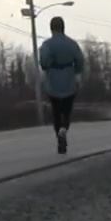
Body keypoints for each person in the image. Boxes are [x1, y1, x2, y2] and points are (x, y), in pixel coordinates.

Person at [39, 16, 85, 154]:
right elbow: (80, 61)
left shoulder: (47, 45)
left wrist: (50, 66)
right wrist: (76, 73)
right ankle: (64, 129)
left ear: (51, 28)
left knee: (56, 111)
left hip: (53, 81)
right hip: (69, 80)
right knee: (67, 110)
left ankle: (59, 134)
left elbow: (44, 63)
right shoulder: (72, 44)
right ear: (63, 27)